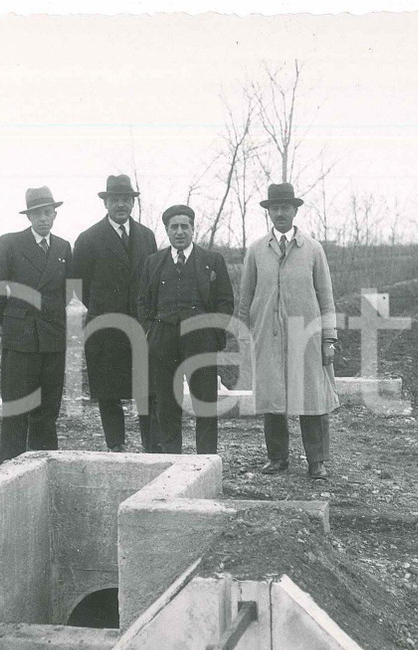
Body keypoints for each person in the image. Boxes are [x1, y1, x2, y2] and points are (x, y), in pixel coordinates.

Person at [237, 182, 339, 479]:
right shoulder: (256, 250)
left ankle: (316, 460)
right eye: (274, 208)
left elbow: (326, 296)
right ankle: (277, 457)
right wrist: (246, 336)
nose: (280, 213)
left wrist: (328, 338)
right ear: (268, 212)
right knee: (272, 397)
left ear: (295, 211)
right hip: (267, 335)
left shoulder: (312, 249)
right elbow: (246, 298)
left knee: (311, 397)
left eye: (285, 207)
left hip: (306, 336)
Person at [72, 175, 159, 452]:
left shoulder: (146, 236)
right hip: (104, 327)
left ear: (133, 202)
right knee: (109, 392)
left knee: (146, 389)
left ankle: (151, 446)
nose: (121, 205)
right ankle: (116, 445)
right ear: (106, 202)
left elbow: (152, 278)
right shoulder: (88, 239)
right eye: (115, 200)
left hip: (141, 326)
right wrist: (103, 306)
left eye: (126, 199)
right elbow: (79, 285)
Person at [138, 205, 234, 454]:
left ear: (193, 229)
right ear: (167, 231)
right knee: (167, 403)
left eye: (184, 226)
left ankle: (206, 460)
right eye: (174, 227)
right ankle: (172, 459)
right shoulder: (153, 262)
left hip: (201, 340)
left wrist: (213, 335)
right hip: (163, 340)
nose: (179, 232)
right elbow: (143, 302)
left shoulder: (212, 261)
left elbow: (225, 301)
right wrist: (151, 332)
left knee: (205, 402)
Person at [0, 186, 72, 461]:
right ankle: (8, 472)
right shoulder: (10, 243)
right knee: (17, 410)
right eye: (37, 214)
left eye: (48, 212)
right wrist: (14, 320)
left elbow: (65, 292)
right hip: (20, 340)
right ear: (29, 217)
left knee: (47, 411)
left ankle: (44, 468)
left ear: (55, 215)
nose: (43, 219)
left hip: (52, 338)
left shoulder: (62, 247)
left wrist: (49, 317)